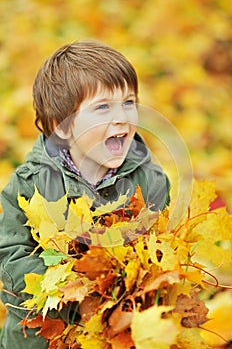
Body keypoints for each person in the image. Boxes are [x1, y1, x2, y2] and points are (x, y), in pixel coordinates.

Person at [0, 40, 170, 348]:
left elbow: (163, 254)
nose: (122, 117)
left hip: (119, 333)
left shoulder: (149, 180)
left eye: (129, 102)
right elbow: (10, 257)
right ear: (61, 127)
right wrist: (78, 296)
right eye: (103, 107)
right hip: (39, 336)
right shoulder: (29, 185)